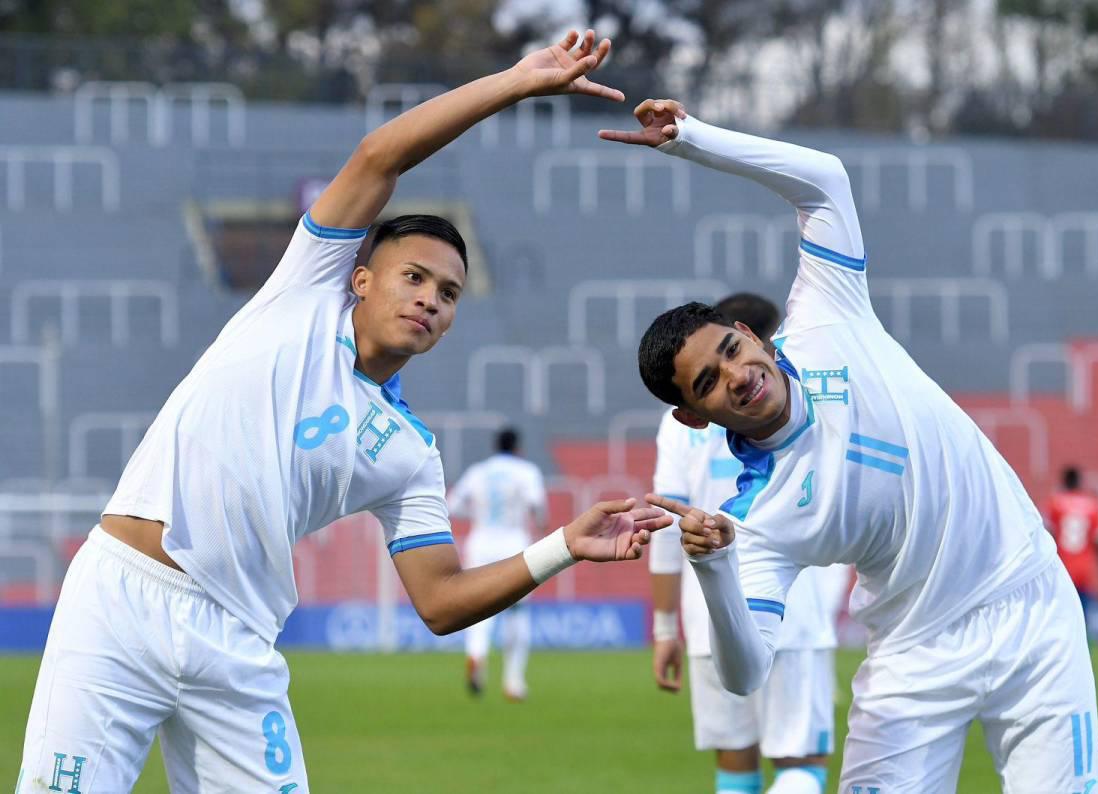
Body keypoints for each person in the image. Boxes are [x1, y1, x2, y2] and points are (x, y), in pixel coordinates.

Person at [17, 32, 671, 794]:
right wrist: (514, 84)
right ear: (360, 279)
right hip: (120, 601)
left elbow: (440, 601)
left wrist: (563, 545)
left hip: (237, 642)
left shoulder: (410, 453)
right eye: (414, 277)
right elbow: (379, 156)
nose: (430, 298)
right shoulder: (303, 292)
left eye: (449, 293)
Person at [603, 99, 1098, 793]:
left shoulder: (827, 312)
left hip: (1027, 600)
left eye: (730, 350)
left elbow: (825, 180)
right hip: (911, 655)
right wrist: (715, 567)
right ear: (693, 418)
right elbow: (746, 672)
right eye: (709, 383)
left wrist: (692, 139)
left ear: (750, 335)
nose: (737, 376)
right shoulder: (756, 519)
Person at [650, 292, 840, 794]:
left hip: (711, 619)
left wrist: (665, 628)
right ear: (764, 336)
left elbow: (666, 526)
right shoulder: (800, 392)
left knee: (735, 770)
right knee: (802, 765)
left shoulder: (679, 425)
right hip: (792, 611)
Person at [448, 427, 547, 701]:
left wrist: (475, 513)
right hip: (513, 543)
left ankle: (476, 655)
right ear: (518, 448)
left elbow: (452, 505)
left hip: (481, 543)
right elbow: (537, 505)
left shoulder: (477, 471)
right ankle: (514, 682)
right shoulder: (527, 472)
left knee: (478, 608)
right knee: (517, 612)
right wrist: (540, 522)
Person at [1046, 465, 1098, 622]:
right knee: (1082, 621)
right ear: (1079, 482)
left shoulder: (1055, 503)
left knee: (1061, 620)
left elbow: (1048, 538)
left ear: (1064, 482)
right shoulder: (1093, 505)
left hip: (1061, 570)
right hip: (1084, 572)